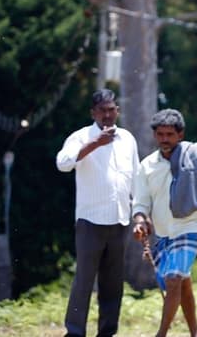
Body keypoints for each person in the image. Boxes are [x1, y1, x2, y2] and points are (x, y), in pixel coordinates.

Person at [132, 109, 197, 337]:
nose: (165, 139)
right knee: (181, 283)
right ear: (155, 135)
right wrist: (140, 222)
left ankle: (161, 334)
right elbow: (140, 204)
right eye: (161, 134)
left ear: (180, 135)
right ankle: (195, 333)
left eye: (170, 135)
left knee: (174, 279)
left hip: (190, 228)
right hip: (163, 235)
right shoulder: (147, 166)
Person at [56, 88, 140, 337]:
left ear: (118, 111)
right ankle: (74, 332)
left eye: (111, 110)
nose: (107, 115)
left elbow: (135, 179)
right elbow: (62, 164)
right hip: (90, 221)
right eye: (102, 110)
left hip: (119, 220)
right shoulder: (81, 136)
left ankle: (107, 332)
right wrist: (93, 144)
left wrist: (140, 214)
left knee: (113, 284)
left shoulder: (128, 139)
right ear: (93, 112)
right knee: (84, 280)